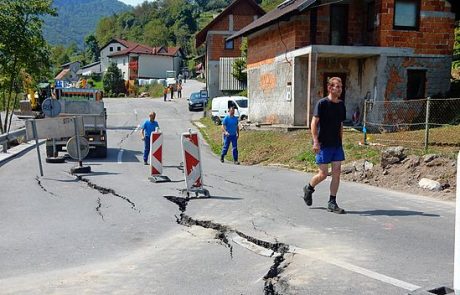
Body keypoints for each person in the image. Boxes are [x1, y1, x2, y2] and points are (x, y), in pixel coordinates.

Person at [303, 77, 346, 214]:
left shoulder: (341, 105)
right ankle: (309, 188)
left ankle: (332, 202)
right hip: (323, 144)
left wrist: (341, 141)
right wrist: (315, 141)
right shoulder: (322, 104)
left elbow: (340, 124)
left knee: (337, 172)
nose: (339, 89)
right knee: (323, 174)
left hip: (336, 144)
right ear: (330, 88)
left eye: (340, 86)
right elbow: (314, 123)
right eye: (336, 86)